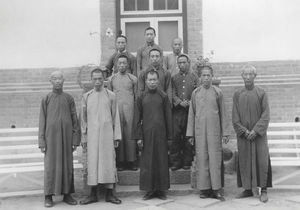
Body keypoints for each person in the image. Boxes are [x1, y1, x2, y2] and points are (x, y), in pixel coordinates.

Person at [186, 66, 230, 201]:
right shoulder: (196, 93)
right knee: (202, 159)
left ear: (212, 76)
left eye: (208, 75)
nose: (206, 78)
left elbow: (223, 113)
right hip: (200, 132)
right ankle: (204, 189)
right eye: (203, 75)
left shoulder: (218, 92)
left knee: (215, 159)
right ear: (200, 77)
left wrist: (225, 133)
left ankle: (216, 189)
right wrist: (190, 134)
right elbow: (191, 114)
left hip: (214, 132)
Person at [80, 68, 122, 205]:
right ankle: (93, 194)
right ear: (91, 80)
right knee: (92, 163)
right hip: (92, 137)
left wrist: (116, 137)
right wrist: (84, 138)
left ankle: (110, 194)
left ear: (104, 79)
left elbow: (116, 117)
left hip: (107, 135)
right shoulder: (87, 97)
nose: (97, 81)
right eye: (95, 79)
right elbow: (83, 120)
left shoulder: (111, 96)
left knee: (108, 162)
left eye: (100, 79)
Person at [38, 71, 80, 207]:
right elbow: (42, 121)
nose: (57, 81)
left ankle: (67, 194)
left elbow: (75, 120)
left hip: (67, 138)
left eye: (60, 78)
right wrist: (42, 141)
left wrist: (75, 140)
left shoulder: (68, 98)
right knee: (50, 166)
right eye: (54, 78)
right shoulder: (47, 98)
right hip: (51, 140)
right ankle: (48, 196)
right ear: (50, 81)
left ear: (64, 80)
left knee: (67, 165)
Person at [232, 64, 272, 203]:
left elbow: (266, 115)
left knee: (262, 160)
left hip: (258, 136)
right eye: (245, 74)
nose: (248, 77)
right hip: (244, 137)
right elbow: (235, 117)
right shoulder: (237, 94)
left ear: (255, 76)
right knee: (245, 160)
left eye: (250, 74)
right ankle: (247, 189)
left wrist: (255, 131)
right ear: (242, 76)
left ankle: (264, 189)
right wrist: (244, 131)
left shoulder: (261, 93)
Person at [133, 70, 172, 200]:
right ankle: (149, 190)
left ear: (158, 80)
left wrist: (169, 137)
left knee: (161, 161)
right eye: (150, 80)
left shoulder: (163, 96)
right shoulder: (141, 97)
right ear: (146, 81)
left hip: (161, 135)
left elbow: (168, 117)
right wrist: (139, 137)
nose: (152, 82)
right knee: (147, 162)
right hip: (146, 134)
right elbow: (137, 118)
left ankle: (161, 190)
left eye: (154, 79)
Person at [107, 54, 138, 171]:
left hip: (130, 111)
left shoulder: (133, 79)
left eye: (124, 63)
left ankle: (132, 161)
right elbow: (109, 97)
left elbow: (136, 97)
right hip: (117, 111)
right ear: (116, 65)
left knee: (130, 135)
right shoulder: (112, 79)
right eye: (119, 63)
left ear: (128, 64)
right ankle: (120, 162)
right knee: (118, 135)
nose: (122, 65)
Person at [170, 54, 199, 171]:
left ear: (188, 63)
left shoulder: (194, 77)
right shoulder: (174, 78)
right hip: (177, 112)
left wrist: (190, 102)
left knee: (188, 136)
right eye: (180, 63)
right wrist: (178, 101)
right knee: (176, 136)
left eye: (184, 62)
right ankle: (176, 162)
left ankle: (187, 161)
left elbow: (198, 92)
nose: (182, 65)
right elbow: (171, 92)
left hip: (190, 112)